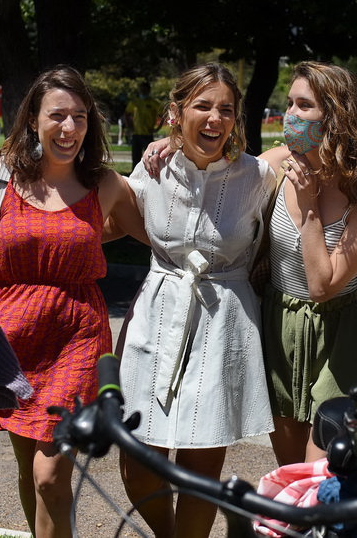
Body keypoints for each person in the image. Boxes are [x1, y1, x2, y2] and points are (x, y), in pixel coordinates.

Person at [0, 66, 145, 538]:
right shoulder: (0, 177)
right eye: (57, 116)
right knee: (25, 469)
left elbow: (158, 236)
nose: (69, 128)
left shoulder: (105, 185)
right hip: (11, 336)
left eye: (79, 117)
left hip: (77, 334)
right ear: (33, 119)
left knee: (49, 475)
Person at [119, 63, 277, 538]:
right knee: (137, 457)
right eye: (202, 106)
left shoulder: (257, 175)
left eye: (225, 109)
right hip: (158, 311)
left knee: (200, 460)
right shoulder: (154, 167)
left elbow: (295, 152)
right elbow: (116, 213)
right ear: (177, 110)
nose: (215, 119)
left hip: (224, 319)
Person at [259, 62, 357, 465]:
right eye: (290, 103)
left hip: (339, 332)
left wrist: (309, 212)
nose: (290, 115)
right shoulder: (275, 165)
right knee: (289, 469)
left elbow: (324, 286)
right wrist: (165, 146)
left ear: (336, 117)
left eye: (304, 105)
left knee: (325, 470)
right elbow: (212, 172)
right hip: (279, 323)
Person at [124, 81, 163, 165]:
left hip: (148, 135)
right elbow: (127, 114)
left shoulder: (154, 103)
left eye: (145, 89)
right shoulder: (134, 102)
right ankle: (134, 175)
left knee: (149, 157)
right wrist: (129, 126)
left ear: (149, 90)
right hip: (136, 134)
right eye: (141, 89)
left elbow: (163, 116)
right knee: (135, 158)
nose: (143, 91)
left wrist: (157, 129)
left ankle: (149, 175)